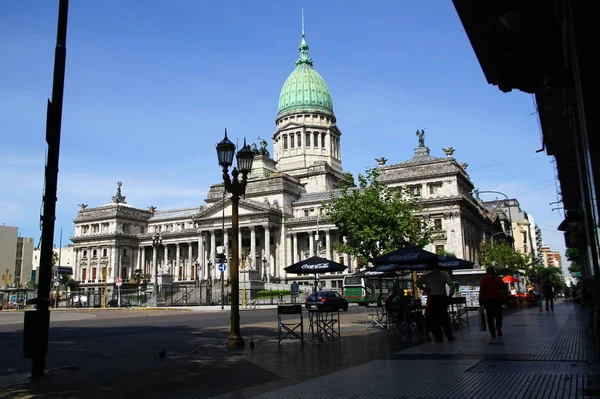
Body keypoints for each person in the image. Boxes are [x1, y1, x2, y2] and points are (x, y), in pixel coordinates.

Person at [416, 263, 455, 342]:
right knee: (444, 317)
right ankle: (449, 335)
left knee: (433, 318)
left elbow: (417, 282)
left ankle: (438, 337)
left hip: (432, 297)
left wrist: (424, 289)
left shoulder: (427, 276)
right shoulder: (443, 275)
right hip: (442, 297)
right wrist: (450, 295)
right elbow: (452, 285)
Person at [479, 267, 506, 338]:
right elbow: (504, 288)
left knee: (489, 317)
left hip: (487, 300)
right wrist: (504, 296)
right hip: (497, 299)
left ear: (487, 272)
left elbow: (481, 291)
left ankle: (492, 332)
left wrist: (480, 300)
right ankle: (498, 328)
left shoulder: (483, 280)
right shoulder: (498, 279)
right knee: (498, 315)